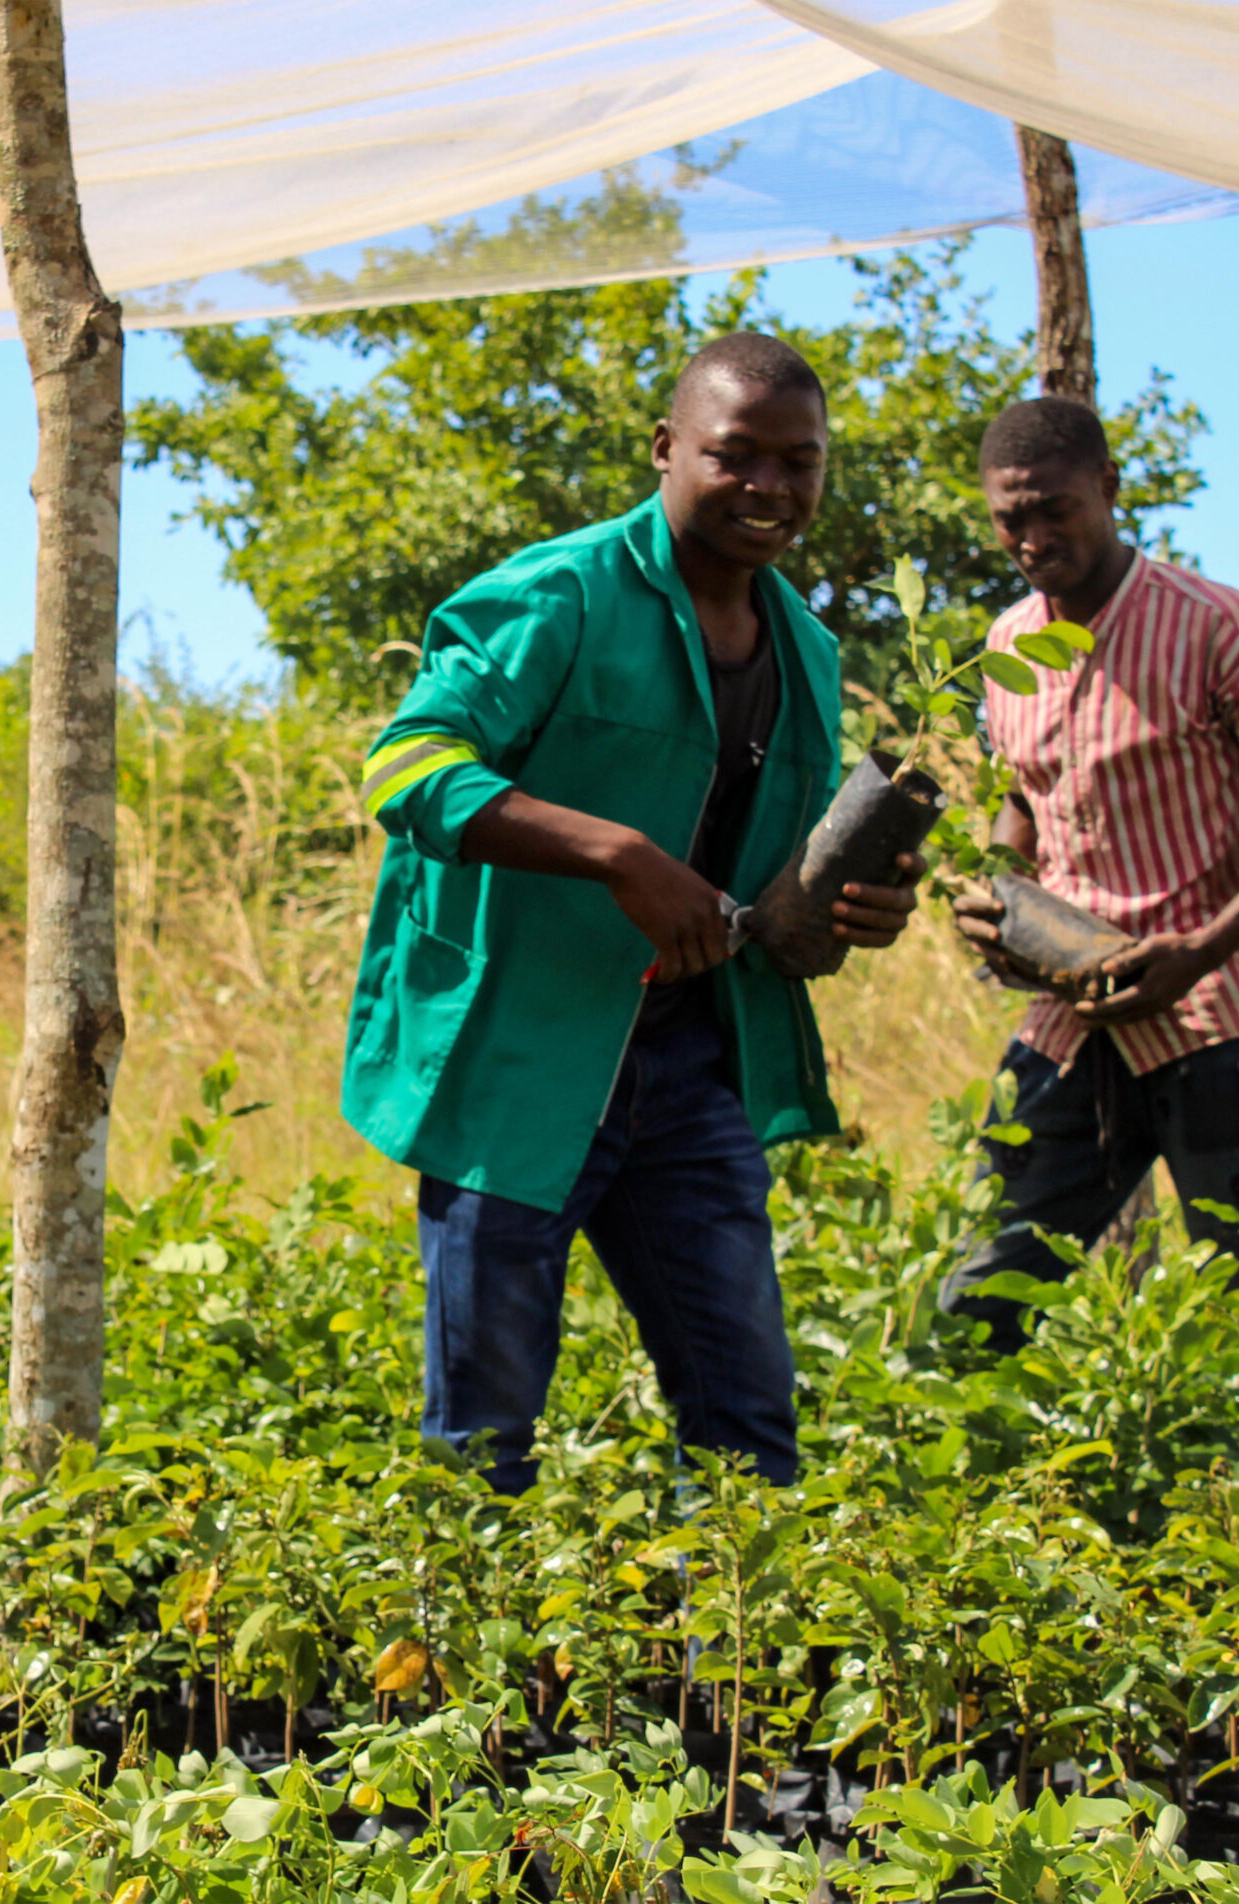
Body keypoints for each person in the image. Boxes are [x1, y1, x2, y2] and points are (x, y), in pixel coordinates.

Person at [342, 334, 926, 1497]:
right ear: (666, 448)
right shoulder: (555, 595)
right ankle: (458, 1675)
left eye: (799, 462)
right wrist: (616, 855)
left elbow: (775, 862)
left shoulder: (807, 650)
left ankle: (723, 1677)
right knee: (482, 1438)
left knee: (746, 1423)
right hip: (523, 1058)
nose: (769, 487)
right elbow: (403, 767)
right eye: (734, 455)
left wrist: (857, 904)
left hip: (690, 1065)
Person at [943, 397, 1239, 1348]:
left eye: (1056, 510)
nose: (1034, 537)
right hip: (1067, 1020)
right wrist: (998, 891)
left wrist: (1201, 951)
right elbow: (1024, 800)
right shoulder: (1009, 647)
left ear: (1110, 490)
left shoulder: (1221, 630)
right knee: (980, 1303)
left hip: (1210, 1024)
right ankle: (993, 1493)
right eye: (1012, 518)